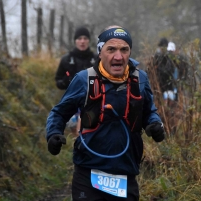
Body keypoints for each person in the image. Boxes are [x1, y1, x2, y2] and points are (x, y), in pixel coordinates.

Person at [46, 25, 165, 200]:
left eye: (124, 49)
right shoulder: (84, 79)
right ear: (100, 52)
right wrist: (53, 133)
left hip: (125, 172)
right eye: (111, 49)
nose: (119, 56)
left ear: (130, 52)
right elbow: (59, 112)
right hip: (88, 172)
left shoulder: (140, 79)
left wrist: (154, 124)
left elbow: (149, 111)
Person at [55, 26, 96, 136]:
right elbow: (58, 80)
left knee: (89, 132)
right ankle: (78, 147)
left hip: (93, 101)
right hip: (72, 101)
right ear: (75, 41)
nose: (82, 41)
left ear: (89, 40)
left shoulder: (97, 59)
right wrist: (64, 82)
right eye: (79, 38)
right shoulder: (66, 59)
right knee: (77, 135)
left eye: (85, 38)